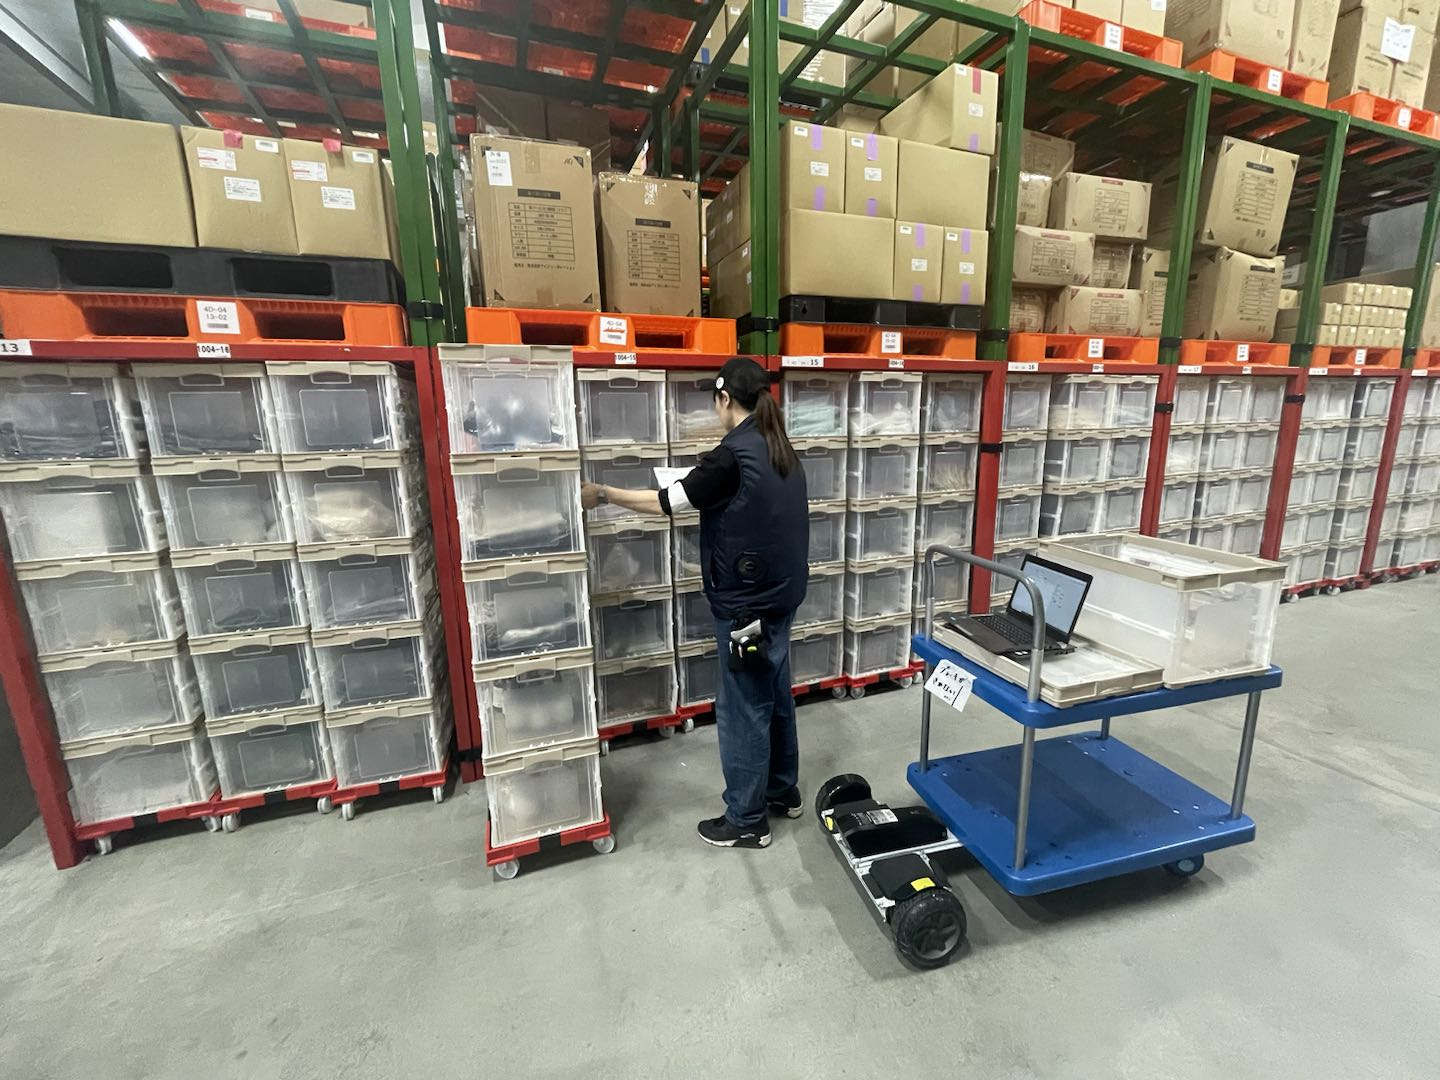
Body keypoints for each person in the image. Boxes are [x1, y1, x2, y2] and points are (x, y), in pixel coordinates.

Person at [581, 357, 809, 849]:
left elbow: (665, 503)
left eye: (715, 401)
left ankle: (746, 819)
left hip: (746, 609)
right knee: (774, 693)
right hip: (782, 596)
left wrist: (603, 493)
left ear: (724, 399)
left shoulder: (731, 456)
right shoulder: (778, 445)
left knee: (743, 706)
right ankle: (781, 791)